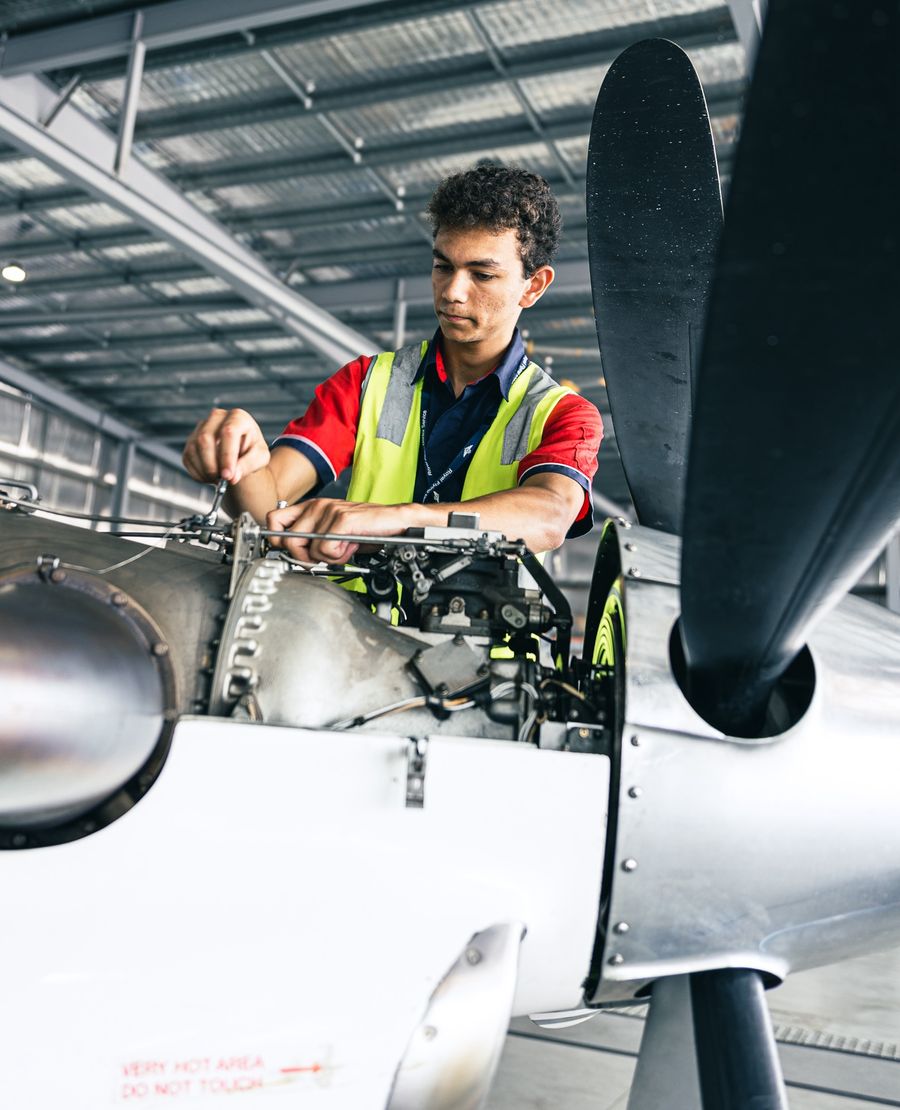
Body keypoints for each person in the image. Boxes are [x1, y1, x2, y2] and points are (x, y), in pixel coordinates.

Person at [183, 165, 603, 564]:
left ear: (533, 286)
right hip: (354, 636)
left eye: (482, 275)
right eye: (443, 266)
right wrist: (243, 462)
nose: (453, 292)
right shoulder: (366, 383)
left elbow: (549, 516)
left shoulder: (563, 414)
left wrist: (399, 519)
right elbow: (266, 510)